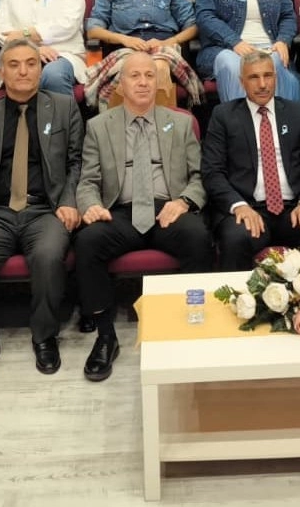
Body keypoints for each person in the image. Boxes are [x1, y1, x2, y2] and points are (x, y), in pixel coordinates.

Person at [74, 52, 209, 381]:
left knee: (198, 237)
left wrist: (184, 201)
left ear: (160, 83)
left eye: (150, 75)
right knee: (88, 242)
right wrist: (91, 205)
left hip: (168, 208)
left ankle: (191, 323)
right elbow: (87, 181)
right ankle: (106, 336)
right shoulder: (99, 126)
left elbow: (199, 176)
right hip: (120, 210)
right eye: (135, 76)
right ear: (120, 84)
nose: (143, 82)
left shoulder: (180, 123)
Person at [0, 39, 84, 381]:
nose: (23, 71)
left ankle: (44, 336)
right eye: (14, 64)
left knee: (48, 256)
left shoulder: (64, 107)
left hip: (46, 210)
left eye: (31, 63)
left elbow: (76, 162)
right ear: (1, 72)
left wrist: (69, 201)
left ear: (41, 70)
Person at [201, 52, 300, 268]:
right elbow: (212, 172)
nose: (262, 84)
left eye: (268, 76)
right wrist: (239, 206)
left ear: (276, 78)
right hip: (248, 207)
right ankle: (235, 291)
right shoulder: (223, 116)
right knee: (236, 238)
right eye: (254, 77)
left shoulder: (299, 113)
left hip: (293, 208)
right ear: (242, 82)